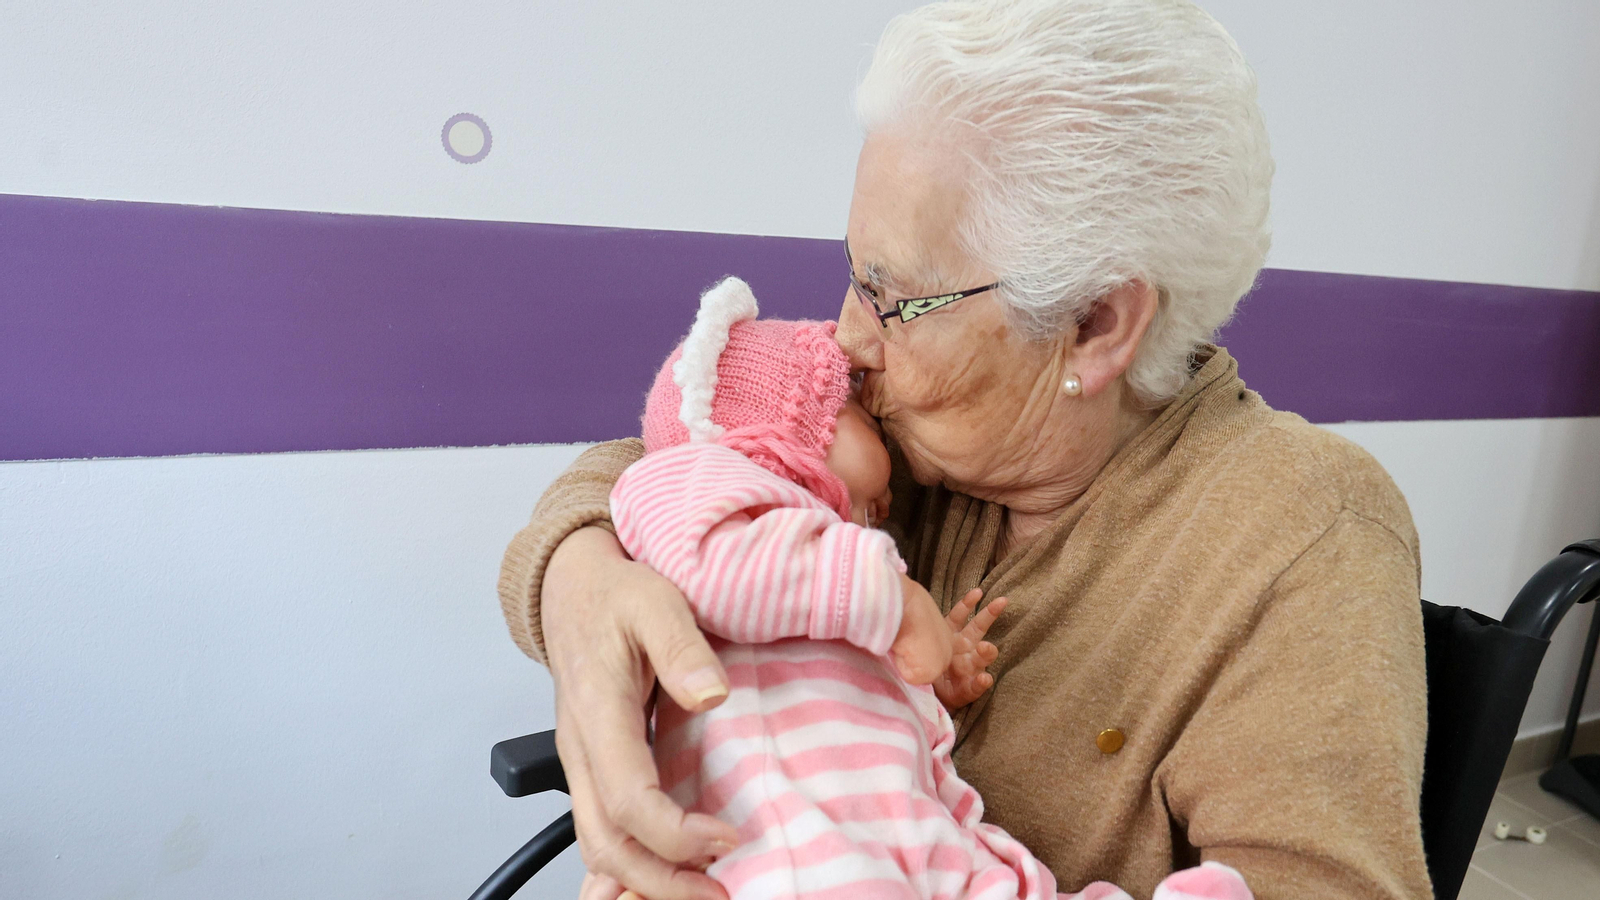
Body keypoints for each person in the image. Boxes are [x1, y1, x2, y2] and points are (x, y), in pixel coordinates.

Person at [499, 2, 1432, 898]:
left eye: (890, 296)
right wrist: (580, 584)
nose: (845, 338)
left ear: (1096, 325)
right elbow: (669, 451)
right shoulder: (907, 442)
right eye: (853, 276)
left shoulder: (1304, 532)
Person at [601, 275, 1255, 900]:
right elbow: (708, 562)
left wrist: (934, 674)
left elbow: (837, 663)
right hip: (793, 844)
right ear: (789, 437)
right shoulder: (704, 486)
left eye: (894, 298)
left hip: (897, 821)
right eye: (858, 409)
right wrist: (903, 605)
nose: (878, 401)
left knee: (1001, 881)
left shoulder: (823, 535)